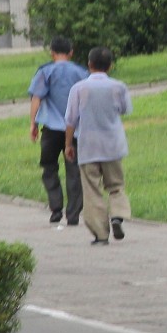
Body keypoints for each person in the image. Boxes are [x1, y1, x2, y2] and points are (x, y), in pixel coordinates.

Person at [63, 47, 132, 246]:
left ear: (89, 64)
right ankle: (118, 215)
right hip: (113, 145)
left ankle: (101, 234)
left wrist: (68, 144)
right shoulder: (118, 86)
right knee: (116, 185)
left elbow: (70, 120)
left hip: (88, 145)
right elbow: (125, 109)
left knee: (92, 190)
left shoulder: (78, 88)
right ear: (110, 66)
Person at [27, 36, 88, 229]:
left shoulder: (45, 71)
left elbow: (36, 98)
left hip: (51, 129)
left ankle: (55, 208)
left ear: (52, 53)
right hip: (76, 129)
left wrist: (33, 123)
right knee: (75, 171)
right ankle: (73, 214)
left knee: (49, 166)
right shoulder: (81, 72)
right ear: (71, 52)